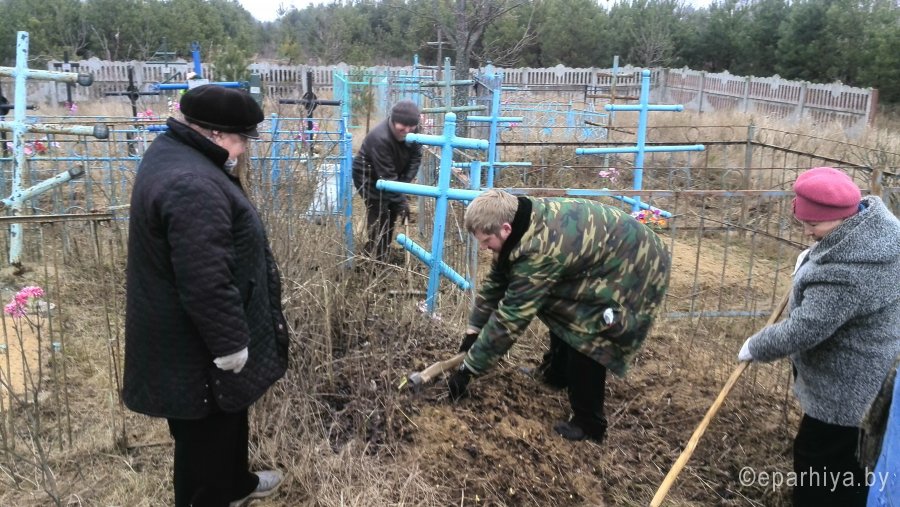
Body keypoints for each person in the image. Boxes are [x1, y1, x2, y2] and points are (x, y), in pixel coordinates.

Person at [123, 84, 289, 507]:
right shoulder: (192, 183)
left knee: (226, 416)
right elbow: (205, 277)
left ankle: (235, 486)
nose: (245, 149)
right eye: (242, 139)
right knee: (203, 440)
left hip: (189, 334)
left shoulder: (175, 153)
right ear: (214, 133)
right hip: (194, 345)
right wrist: (230, 342)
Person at [449, 189, 671, 443]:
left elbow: (512, 317)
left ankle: (589, 424)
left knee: (589, 329)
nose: (483, 247)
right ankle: (556, 374)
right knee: (560, 306)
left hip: (636, 262)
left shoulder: (538, 250)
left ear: (506, 229)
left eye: (487, 240)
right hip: (604, 253)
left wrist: (469, 369)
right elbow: (495, 285)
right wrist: (473, 333)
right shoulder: (518, 226)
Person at [736, 167, 900, 506]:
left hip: (847, 391)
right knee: (851, 464)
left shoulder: (849, 274)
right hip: (873, 368)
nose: (807, 232)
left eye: (814, 225)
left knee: (823, 468)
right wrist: (813, 259)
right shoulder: (879, 229)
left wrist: (757, 345)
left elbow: (804, 329)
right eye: (803, 222)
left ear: (843, 216)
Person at [351, 99, 422, 262]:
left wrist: (403, 184)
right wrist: (401, 201)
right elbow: (387, 177)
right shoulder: (380, 138)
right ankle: (375, 257)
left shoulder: (414, 131)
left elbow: (416, 158)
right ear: (393, 120)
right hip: (368, 175)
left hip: (393, 173)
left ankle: (383, 250)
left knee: (393, 210)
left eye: (411, 127)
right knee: (380, 211)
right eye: (403, 127)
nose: (407, 131)